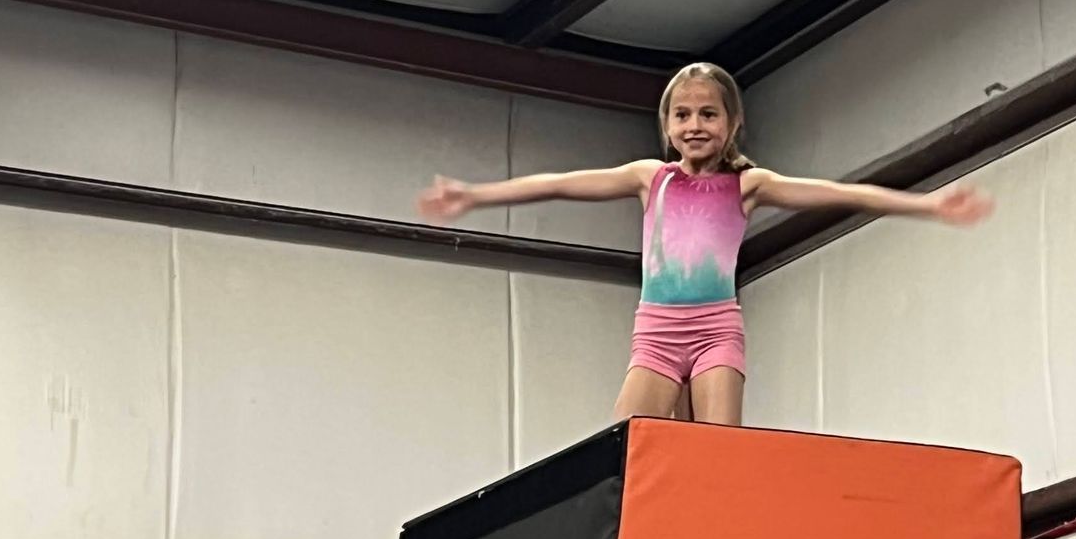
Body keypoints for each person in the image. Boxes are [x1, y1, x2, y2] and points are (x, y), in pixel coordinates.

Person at [418, 59, 991, 427]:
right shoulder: (652, 179)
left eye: (709, 114)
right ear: (667, 125)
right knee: (627, 443)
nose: (696, 125)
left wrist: (928, 205)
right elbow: (561, 184)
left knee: (718, 448)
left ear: (733, 122)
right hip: (657, 331)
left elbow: (840, 193)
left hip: (717, 327)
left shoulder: (748, 185)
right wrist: (475, 194)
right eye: (684, 115)